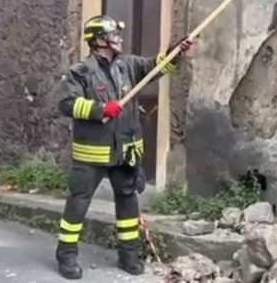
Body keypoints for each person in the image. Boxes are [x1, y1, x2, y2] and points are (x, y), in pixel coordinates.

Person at [54, 15, 192, 279]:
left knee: (128, 202)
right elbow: (66, 104)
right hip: (92, 153)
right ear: (99, 41)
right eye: (114, 35)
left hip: (124, 150)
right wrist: (100, 109)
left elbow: (156, 67)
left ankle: (129, 255)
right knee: (78, 203)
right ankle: (66, 256)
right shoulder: (80, 72)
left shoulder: (128, 65)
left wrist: (175, 52)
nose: (119, 39)